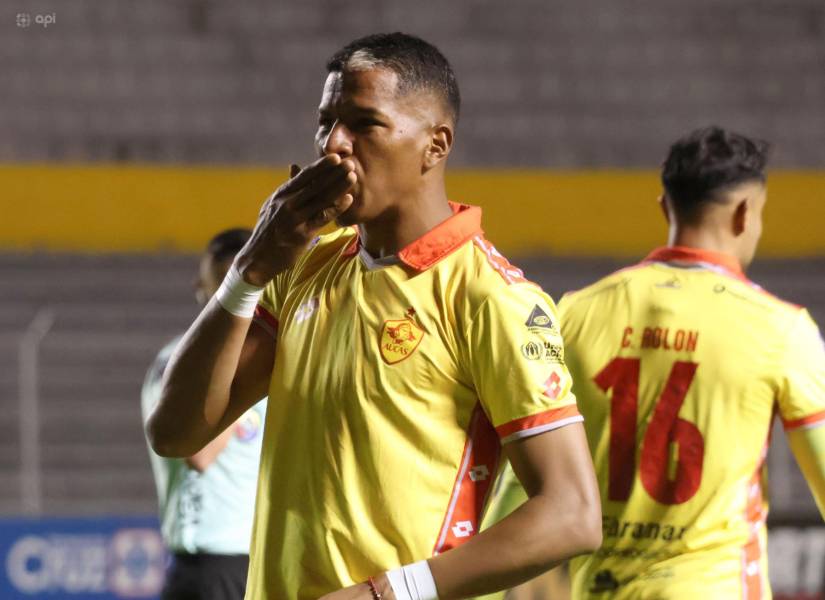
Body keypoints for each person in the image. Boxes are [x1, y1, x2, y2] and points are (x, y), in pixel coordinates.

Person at [146, 32, 601, 600]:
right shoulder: (302, 268)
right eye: (326, 122)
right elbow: (175, 432)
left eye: (364, 124)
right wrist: (249, 271)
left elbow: (572, 513)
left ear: (435, 145)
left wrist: (387, 593)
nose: (333, 144)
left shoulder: (490, 298)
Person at [555, 126, 825, 598]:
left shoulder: (575, 313)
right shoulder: (780, 329)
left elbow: (525, 479)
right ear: (745, 213)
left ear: (665, 206)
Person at [141, 227, 267, 600]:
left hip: (257, 558)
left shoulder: (268, 359)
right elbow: (198, 451)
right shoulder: (178, 362)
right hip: (212, 564)